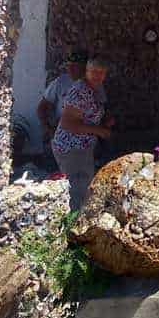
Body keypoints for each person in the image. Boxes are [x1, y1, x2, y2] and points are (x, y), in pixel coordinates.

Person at [51, 57, 114, 209]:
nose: (98, 75)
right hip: (72, 148)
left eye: (101, 72)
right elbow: (68, 123)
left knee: (83, 188)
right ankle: (73, 225)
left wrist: (104, 122)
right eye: (94, 72)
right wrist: (99, 131)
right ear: (86, 72)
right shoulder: (80, 91)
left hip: (82, 147)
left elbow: (86, 116)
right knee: (78, 192)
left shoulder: (94, 89)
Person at [37, 49, 88, 147]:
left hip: (86, 134)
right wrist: (48, 128)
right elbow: (42, 107)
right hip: (62, 134)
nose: (70, 69)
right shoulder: (60, 82)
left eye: (75, 66)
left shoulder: (93, 83)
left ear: (84, 67)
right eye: (68, 65)